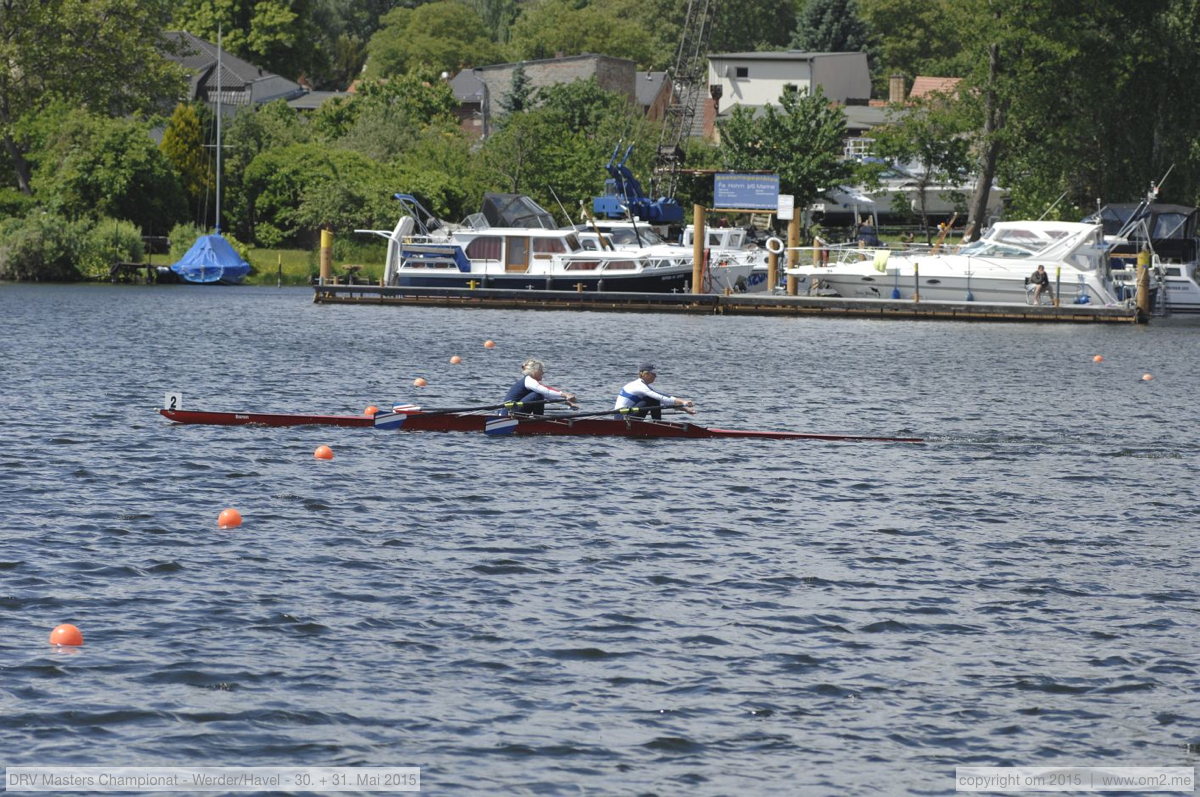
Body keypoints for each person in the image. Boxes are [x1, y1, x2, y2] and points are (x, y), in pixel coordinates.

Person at [614, 363, 696, 419]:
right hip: (622, 416)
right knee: (653, 399)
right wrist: (683, 402)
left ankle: (656, 423)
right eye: (653, 373)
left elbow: (665, 399)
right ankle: (657, 423)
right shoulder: (639, 386)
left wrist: (685, 409)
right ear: (645, 374)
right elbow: (660, 398)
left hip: (626, 414)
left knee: (653, 399)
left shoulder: (644, 386)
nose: (656, 376)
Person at [502, 359, 578, 415]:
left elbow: (547, 395)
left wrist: (567, 403)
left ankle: (538, 419)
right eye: (541, 370)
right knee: (537, 395)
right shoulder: (529, 380)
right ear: (534, 371)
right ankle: (538, 420)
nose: (543, 372)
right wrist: (565, 395)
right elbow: (546, 391)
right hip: (510, 412)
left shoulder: (531, 381)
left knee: (539, 395)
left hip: (514, 410)